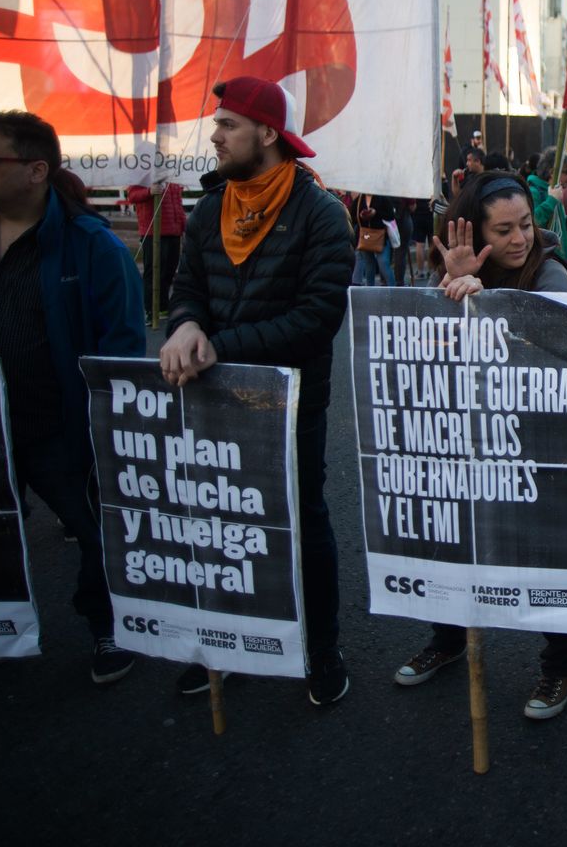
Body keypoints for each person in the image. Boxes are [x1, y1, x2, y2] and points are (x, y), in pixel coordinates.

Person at [0, 110, 143, 687]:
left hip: (60, 429)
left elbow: (122, 345)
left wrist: (108, 427)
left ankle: (110, 625)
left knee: (97, 530)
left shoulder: (91, 246)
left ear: (36, 170)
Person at [159, 76, 354, 706]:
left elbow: (317, 317)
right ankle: (229, 642)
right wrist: (186, 324)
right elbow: (186, 287)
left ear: (267, 134)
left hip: (291, 399)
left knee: (301, 520)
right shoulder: (210, 208)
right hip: (212, 396)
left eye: (228, 126)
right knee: (223, 522)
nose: (215, 136)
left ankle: (320, 649)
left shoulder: (321, 213)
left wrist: (222, 347)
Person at [391, 172, 567, 718]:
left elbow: (562, 344)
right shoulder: (454, 264)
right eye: (503, 230)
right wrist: (451, 292)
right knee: (457, 538)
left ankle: (560, 666)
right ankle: (449, 638)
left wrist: (490, 305)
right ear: (474, 231)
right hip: (468, 434)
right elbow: (420, 347)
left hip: (542, 441)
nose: (520, 238)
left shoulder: (551, 271)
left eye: (526, 224)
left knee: (550, 550)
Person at [125, 178, 186, 322]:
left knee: (169, 271)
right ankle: (151, 309)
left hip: (173, 231)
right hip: (153, 231)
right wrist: (149, 192)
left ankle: (163, 306)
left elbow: (177, 204)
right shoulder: (144, 174)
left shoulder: (172, 177)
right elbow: (132, 196)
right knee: (153, 272)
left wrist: (183, 226)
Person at [350, 192, 397, 286]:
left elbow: (390, 215)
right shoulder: (360, 199)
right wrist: (362, 216)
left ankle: (393, 290)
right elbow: (353, 216)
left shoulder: (382, 198)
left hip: (380, 235)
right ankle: (370, 290)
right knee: (369, 265)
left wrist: (376, 213)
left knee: (383, 264)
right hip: (365, 235)